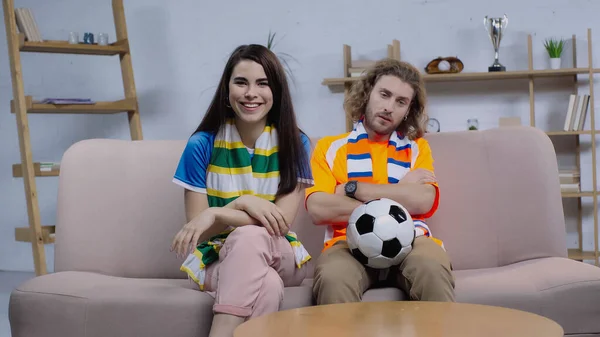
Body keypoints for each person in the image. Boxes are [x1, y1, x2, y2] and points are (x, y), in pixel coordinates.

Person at [170, 44, 313, 337]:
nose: (251, 93)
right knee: (268, 285)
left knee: (251, 236)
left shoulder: (295, 144)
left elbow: (279, 222)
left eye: (262, 83)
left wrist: (224, 210)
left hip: (280, 252)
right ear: (227, 89)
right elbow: (202, 232)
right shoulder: (202, 144)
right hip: (217, 257)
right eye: (241, 82)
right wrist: (244, 208)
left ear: (277, 92)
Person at [305, 58, 455, 305]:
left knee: (432, 267)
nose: (389, 107)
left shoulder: (417, 149)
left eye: (401, 102)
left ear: (408, 110)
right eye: (384, 95)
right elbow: (318, 208)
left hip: (412, 241)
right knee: (333, 277)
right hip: (346, 245)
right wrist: (400, 190)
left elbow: (423, 201)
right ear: (368, 93)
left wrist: (353, 189)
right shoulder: (329, 148)